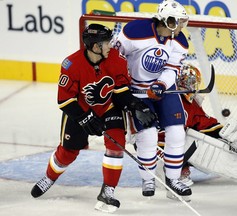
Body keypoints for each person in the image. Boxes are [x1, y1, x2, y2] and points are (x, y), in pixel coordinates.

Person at [30, 23, 156, 213]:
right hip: (79, 110)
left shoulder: (116, 59)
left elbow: (120, 91)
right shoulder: (71, 64)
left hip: (109, 107)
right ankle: (49, 177)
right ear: (96, 47)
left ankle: (108, 190)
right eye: (106, 43)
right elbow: (64, 100)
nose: (111, 46)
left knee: (116, 146)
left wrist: (135, 105)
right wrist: (84, 117)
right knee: (67, 153)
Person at [114, 0, 192, 199]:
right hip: (137, 93)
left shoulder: (180, 41)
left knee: (176, 133)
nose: (182, 26)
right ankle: (148, 178)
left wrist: (161, 85)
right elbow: (116, 58)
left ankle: (173, 179)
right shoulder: (134, 31)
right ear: (167, 20)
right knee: (147, 136)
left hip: (163, 91)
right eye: (179, 21)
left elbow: (172, 68)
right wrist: (124, 87)